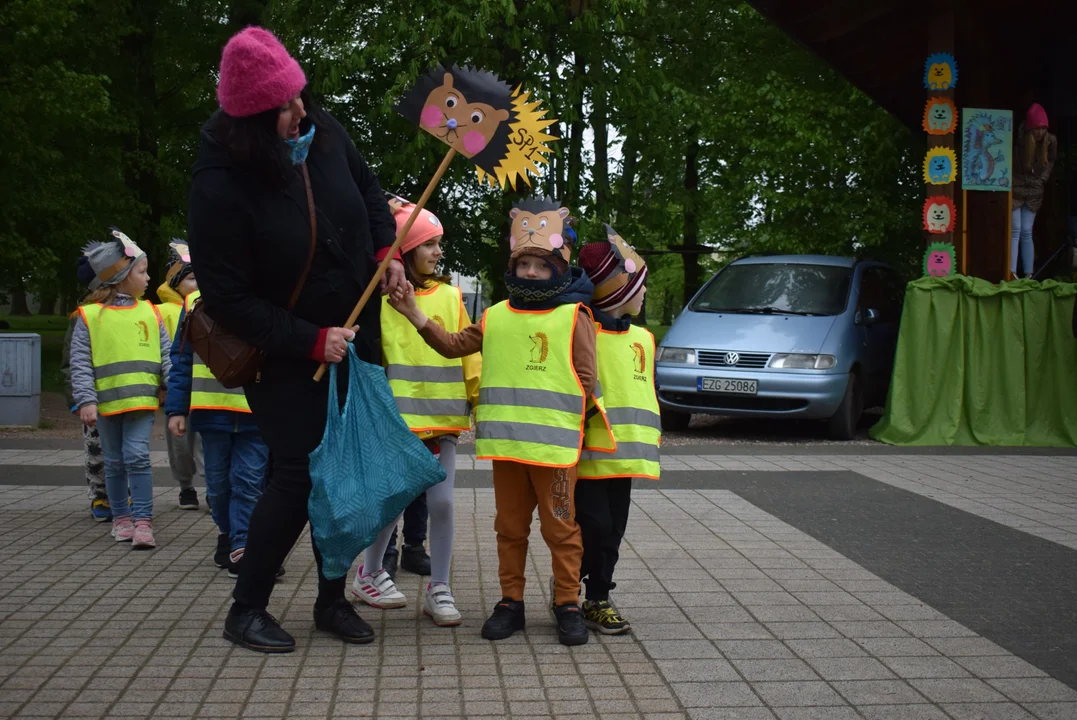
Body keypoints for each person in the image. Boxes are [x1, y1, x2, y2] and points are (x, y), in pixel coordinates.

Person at [188, 26, 408, 654]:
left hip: (356, 332)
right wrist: (311, 341)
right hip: (286, 352)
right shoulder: (219, 184)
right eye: (285, 107)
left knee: (346, 474)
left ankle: (331, 600)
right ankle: (247, 606)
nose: (301, 112)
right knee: (298, 473)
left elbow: (369, 192)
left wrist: (381, 249)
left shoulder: (323, 132)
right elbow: (228, 300)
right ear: (254, 121)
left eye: (299, 96)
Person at [388, 197, 610, 646]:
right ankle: (511, 602)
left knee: (561, 530)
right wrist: (413, 312)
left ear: (558, 268)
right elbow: (452, 345)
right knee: (509, 529)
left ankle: (567, 603)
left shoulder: (575, 316)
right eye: (523, 263)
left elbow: (587, 380)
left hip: (555, 453)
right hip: (508, 450)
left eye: (539, 265)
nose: (529, 272)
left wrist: (579, 436)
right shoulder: (495, 316)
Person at [351, 198, 480, 626]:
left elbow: (468, 353)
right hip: (398, 423)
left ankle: (438, 587)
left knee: (441, 504)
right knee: (393, 501)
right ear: (405, 250)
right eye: (430, 244)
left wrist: (477, 398)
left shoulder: (451, 295)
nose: (438, 252)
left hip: (442, 421)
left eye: (439, 245)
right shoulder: (378, 299)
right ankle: (369, 574)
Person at [574, 227, 662, 635]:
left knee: (612, 530)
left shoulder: (644, 337)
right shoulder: (582, 333)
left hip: (625, 459)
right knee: (592, 527)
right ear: (617, 292)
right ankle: (578, 593)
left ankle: (598, 596)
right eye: (639, 286)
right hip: (589, 458)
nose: (645, 293)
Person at [70, 228, 171, 550]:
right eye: (142, 271)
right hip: (105, 405)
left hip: (141, 402)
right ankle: (121, 518)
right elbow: (81, 362)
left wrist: (174, 391)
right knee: (113, 462)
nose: (148, 277)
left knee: (138, 457)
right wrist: (86, 399)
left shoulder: (151, 312)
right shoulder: (89, 317)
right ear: (122, 276)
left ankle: (143, 521)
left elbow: (166, 356)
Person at [165, 286, 270, 576]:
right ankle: (229, 536)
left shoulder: (270, 293)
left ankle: (243, 545)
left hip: (255, 411)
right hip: (211, 410)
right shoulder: (194, 301)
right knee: (218, 486)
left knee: (248, 482)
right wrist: (176, 408)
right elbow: (182, 358)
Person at [156, 240, 204, 510]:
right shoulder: (161, 312)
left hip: (203, 388)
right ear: (175, 281)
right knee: (180, 444)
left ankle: (211, 488)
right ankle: (186, 486)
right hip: (177, 386)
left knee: (205, 443)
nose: (197, 283)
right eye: (191, 277)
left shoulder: (203, 305)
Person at [61, 255, 108, 521]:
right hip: (92, 396)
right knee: (96, 450)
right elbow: (70, 361)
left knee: (127, 451)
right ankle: (100, 494)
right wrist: (76, 399)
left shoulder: (135, 312)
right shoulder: (82, 317)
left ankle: (123, 493)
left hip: (123, 395)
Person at [1011, 103, 1058, 280]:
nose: (1040, 132)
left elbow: (1052, 160)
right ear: (1030, 128)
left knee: (1026, 230)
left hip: (1035, 189)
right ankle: (1012, 271)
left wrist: (1043, 178)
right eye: (1037, 128)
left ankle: (1029, 273)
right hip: (1016, 186)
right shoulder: (1020, 140)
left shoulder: (1051, 141)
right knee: (1015, 229)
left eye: (1043, 128)